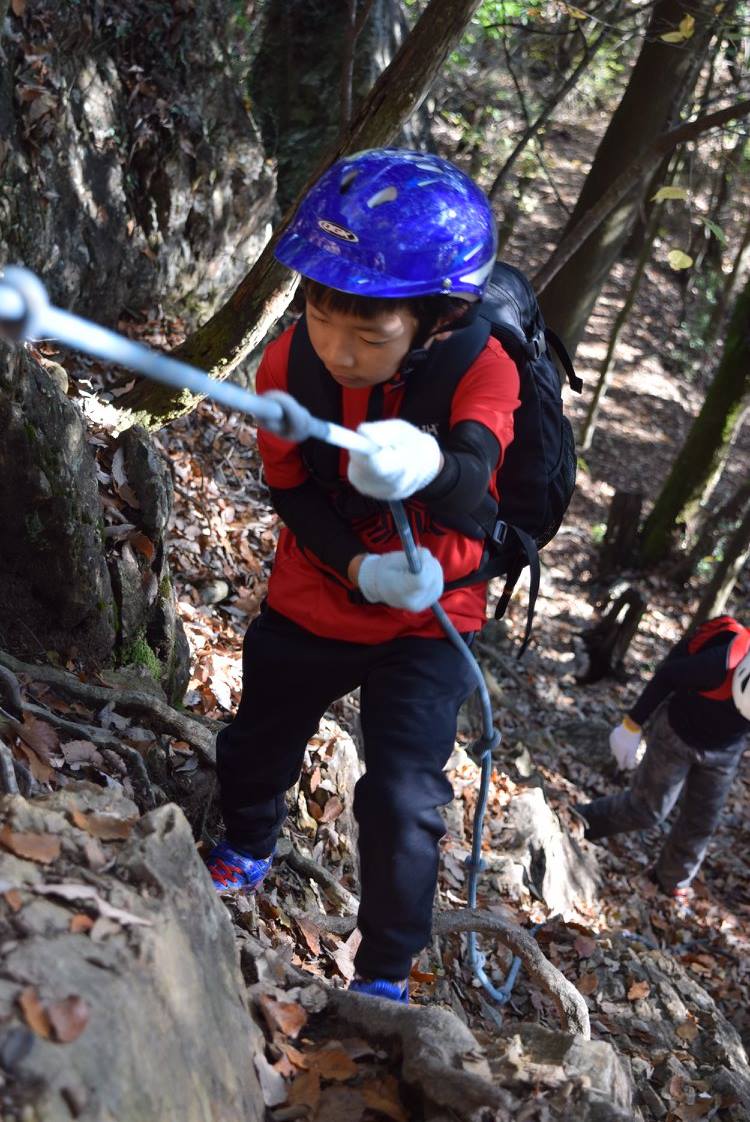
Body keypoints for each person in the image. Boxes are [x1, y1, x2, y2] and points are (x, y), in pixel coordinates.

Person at [204, 148, 520, 1002]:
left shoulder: (477, 368)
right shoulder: (286, 367)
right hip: (316, 594)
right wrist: (355, 566)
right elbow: (290, 491)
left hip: (430, 618)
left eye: (370, 334)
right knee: (263, 731)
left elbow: (477, 483)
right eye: (320, 316)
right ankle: (246, 845)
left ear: (435, 322)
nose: (338, 351)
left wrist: (425, 463)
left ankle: (384, 973)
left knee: (405, 799)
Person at [578, 615, 750, 900]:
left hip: (724, 751)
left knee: (701, 821)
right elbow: (668, 675)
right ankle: (578, 823)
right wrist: (632, 726)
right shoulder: (719, 664)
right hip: (677, 733)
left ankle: (669, 881)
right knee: (647, 810)